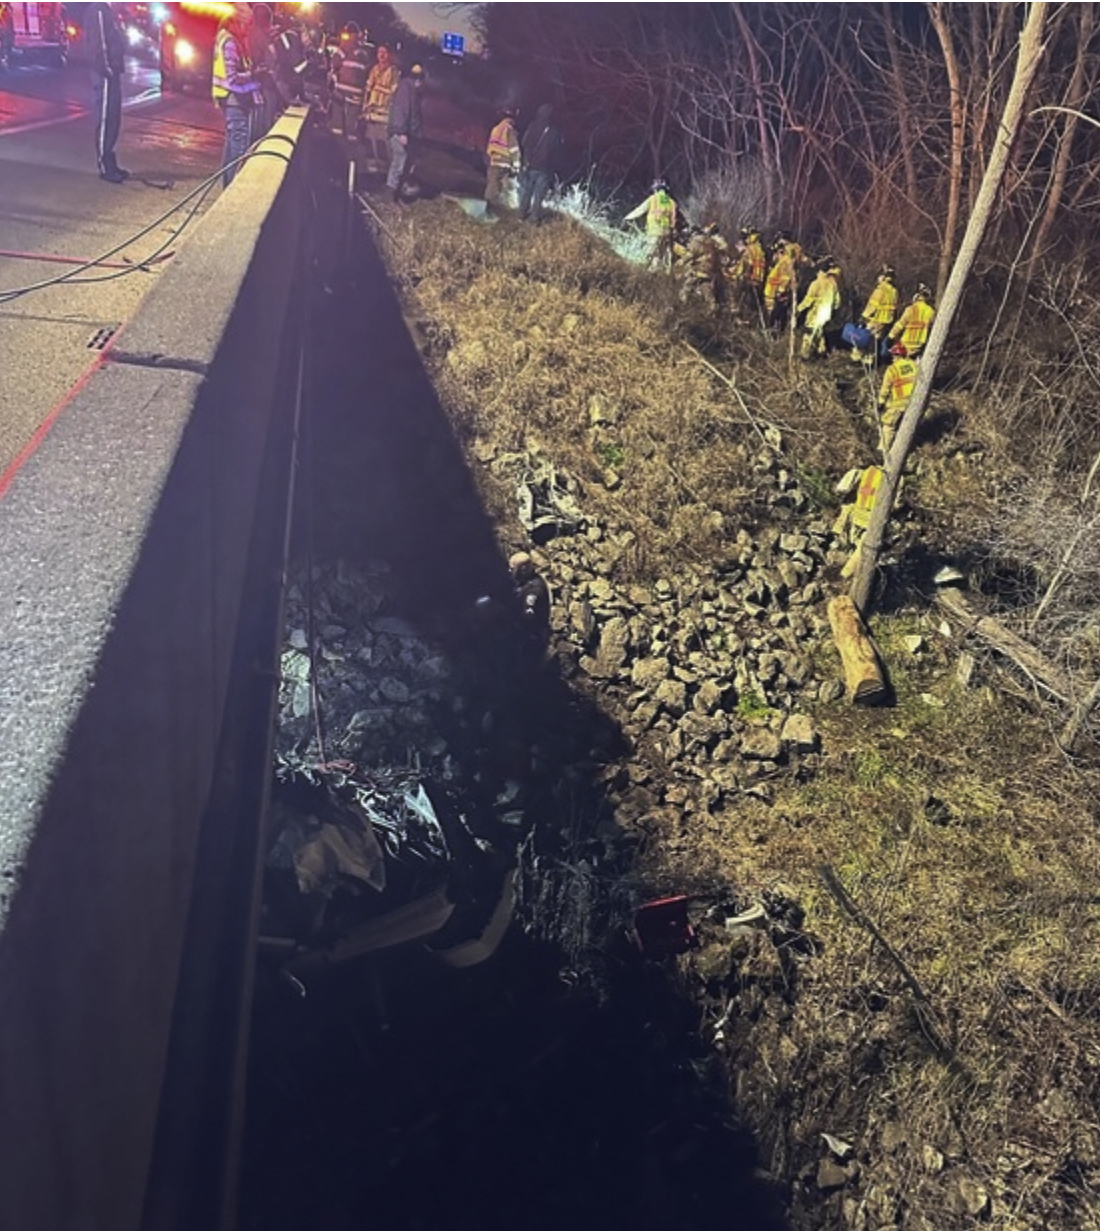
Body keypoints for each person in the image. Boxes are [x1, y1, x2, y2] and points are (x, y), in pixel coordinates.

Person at [212, 4, 259, 188]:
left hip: (228, 98)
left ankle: (227, 186)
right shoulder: (230, 42)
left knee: (231, 144)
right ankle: (232, 189)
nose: (248, 30)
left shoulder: (223, 37)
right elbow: (233, 78)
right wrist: (254, 78)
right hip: (234, 99)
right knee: (238, 146)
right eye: (246, 25)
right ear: (237, 22)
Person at [88, 2, 128, 183]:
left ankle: (110, 161)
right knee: (105, 119)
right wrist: (106, 68)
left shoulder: (110, 11)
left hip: (113, 70)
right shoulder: (98, 9)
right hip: (105, 73)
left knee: (113, 117)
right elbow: (100, 42)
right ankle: (105, 165)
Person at [386, 63, 425, 203]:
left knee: (407, 164)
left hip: (409, 134)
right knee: (400, 161)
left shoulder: (412, 91)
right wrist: (401, 132)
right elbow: (401, 111)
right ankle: (390, 195)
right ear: (418, 80)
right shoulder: (406, 89)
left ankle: (398, 195)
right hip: (400, 133)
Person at [518, 102, 562, 224]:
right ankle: (534, 218)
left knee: (527, 191)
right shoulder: (553, 130)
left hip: (531, 164)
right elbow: (557, 150)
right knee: (539, 194)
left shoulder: (533, 126)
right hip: (545, 168)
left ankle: (521, 215)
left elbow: (525, 143)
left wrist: (526, 160)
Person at [360, 44, 400, 173]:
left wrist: (378, 88)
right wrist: (364, 105)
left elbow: (394, 92)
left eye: (384, 52)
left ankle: (384, 170)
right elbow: (367, 89)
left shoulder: (394, 71)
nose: (381, 55)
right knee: (369, 139)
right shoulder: (374, 69)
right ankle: (371, 167)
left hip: (385, 112)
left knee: (382, 142)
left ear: (390, 55)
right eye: (379, 52)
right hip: (371, 111)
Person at [624, 179, 678, 270]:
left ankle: (645, 275)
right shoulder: (672, 202)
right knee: (660, 256)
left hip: (654, 232)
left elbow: (639, 210)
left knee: (649, 255)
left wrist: (627, 218)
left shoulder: (653, 199)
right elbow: (674, 220)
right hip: (667, 233)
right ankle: (659, 276)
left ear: (655, 189)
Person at [851, 264, 899, 365]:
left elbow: (872, 306)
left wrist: (863, 317)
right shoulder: (894, 291)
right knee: (877, 342)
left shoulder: (880, 290)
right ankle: (872, 361)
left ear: (883, 277)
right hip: (886, 321)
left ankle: (860, 360)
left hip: (875, 320)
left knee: (865, 339)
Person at [330, 20, 371, 137]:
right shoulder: (364, 51)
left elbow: (335, 62)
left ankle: (336, 135)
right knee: (352, 114)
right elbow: (366, 70)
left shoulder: (345, 46)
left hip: (343, 86)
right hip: (358, 89)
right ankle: (351, 137)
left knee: (338, 109)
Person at [877, 342, 919, 453]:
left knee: (888, 426)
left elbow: (885, 388)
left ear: (896, 355)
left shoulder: (892, 369)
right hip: (915, 402)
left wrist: (880, 402)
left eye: (893, 355)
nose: (891, 357)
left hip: (899, 403)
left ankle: (883, 450)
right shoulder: (914, 366)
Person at [797, 257, 841, 359]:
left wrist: (798, 309)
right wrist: (835, 310)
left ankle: (805, 354)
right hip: (826, 314)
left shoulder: (816, 284)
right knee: (819, 330)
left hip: (815, 313)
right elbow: (837, 300)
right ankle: (822, 350)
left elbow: (809, 300)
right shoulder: (832, 283)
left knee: (809, 333)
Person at [248, 3, 281, 138]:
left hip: (252, 83)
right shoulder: (264, 39)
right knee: (266, 119)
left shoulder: (249, 34)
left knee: (253, 119)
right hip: (267, 84)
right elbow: (271, 62)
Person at [485, 106, 521, 211]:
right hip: (505, 164)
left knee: (492, 186)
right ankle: (510, 210)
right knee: (509, 188)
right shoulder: (509, 129)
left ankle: (488, 208)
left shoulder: (495, 129)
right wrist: (516, 166)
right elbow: (514, 149)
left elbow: (489, 147)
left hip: (494, 162)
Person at [889, 284, 936, 358]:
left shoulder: (910, 309)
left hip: (905, 344)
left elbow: (900, 325)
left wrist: (891, 336)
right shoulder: (931, 312)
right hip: (919, 346)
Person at [764, 237, 797, 333]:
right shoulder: (781, 262)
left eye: (776, 252)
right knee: (776, 314)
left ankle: (774, 332)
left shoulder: (785, 262)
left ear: (780, 252)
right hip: (774, 293)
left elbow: (785, 278)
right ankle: (773, 330)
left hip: (777, 294)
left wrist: (780, 291)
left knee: (777, 314)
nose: (774, 256)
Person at [733, 224, 766, 318]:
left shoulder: (750, 249)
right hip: (759, 281)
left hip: (750, 281)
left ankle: (744, 321)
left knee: (745, 305)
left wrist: (740, 276)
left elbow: (748, 265)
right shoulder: (761, 249)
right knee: (755, 307)